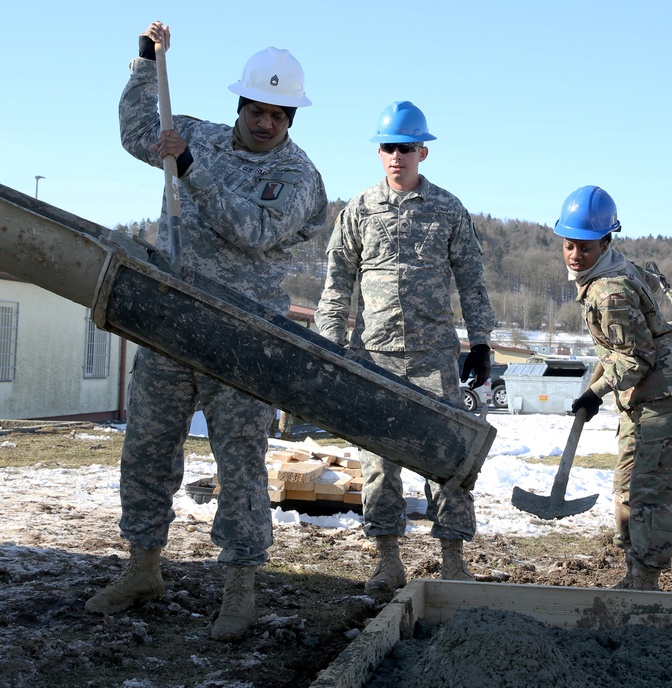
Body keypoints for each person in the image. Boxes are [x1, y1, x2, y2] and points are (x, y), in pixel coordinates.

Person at [85, 22, 328, 641]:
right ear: (240, 104)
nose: (266, 122)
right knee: (146, 447)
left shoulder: (300, 180)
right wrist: (145, 62)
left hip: (242, 338)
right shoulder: (200, 135)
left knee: (240, 463)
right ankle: (142, 566)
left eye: (279, 114)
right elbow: (140, 132)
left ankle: (240, 586)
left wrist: (188, 167)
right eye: (257, 109)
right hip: (172, 320)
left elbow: (252, 231)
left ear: (291, 119)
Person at [315, 101, 495, 598]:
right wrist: (331, 348)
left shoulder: (448, 209)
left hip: (434, 357)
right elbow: (336, 285)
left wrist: (480, 342)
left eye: (407, 147)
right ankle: (387, 561)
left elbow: (472, 281)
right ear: (379, 151)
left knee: (448, 461)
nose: (398, 156)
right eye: (390, 147)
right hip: (375, 357)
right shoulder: (358, 210)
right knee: (378, 465)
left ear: (423, 151)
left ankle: (453, 560)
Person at [555, 185, 672, 591]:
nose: (575, 255)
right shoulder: (606, 272)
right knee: (626, 483)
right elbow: (620, 351)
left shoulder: (610, 289)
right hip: (641, 393)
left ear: (605, 242)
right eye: (569, 245)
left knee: (651, 488)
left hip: (667, 395)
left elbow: (637, 357)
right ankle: (633, 570)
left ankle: (645, 581)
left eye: (584, 247)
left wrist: (596, 392)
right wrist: (601, 381)